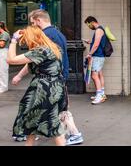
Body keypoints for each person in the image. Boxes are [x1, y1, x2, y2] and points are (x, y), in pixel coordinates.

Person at [19, 9, 83, 145]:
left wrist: (19, 75)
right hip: (59, 76)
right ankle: (74, 134)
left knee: (54, 111)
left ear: (38, 20)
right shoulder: (57, 33)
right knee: (59, 109)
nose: (32, 27)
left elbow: (36, 58)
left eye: (33, 23)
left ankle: (72, 134)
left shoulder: (46, 36)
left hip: (52, 79)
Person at [7, 26, 67, 146]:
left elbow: (11, 59)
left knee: (51, 123)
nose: (25, 42)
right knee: (32, 121)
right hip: (55, 86)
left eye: (26, 40)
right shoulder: (53, 48)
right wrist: (19, 76)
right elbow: (32, 62)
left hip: (44, 89)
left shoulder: (41, 50)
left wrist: (13, 40)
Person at [84, 16, 107, 105]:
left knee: (94, 75)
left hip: (97, 56)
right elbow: (97, 42)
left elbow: (96, 45)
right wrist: (90, 42)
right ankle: (102, 94)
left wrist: (90, 54)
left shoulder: (98, 30)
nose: (89, 27)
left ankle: (99, 96)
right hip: (100, 56)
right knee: (100, 74)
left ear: (92, 22)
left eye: (88, 25)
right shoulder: (100, 30)